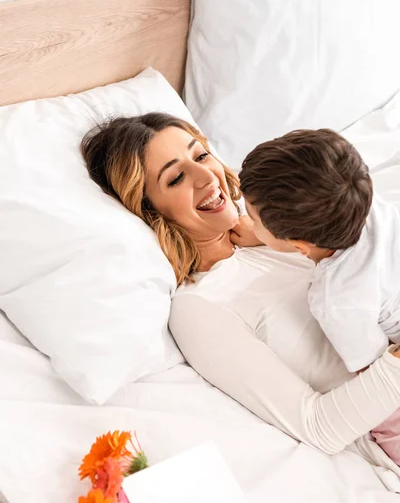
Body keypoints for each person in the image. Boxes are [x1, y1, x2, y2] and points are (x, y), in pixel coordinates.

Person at [81, 112, 400, 478]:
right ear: (149, 210)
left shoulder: (293, 221)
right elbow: (319, 427)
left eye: (201, 156)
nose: (206, 177)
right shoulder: (200, 306)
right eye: (176, 178)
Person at [238, 128, 400, 464]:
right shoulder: (367, 207)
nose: (248, 223)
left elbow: (376, 372)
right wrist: (263, 235)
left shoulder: (336, 298)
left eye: (253, 220)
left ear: (298, 246)